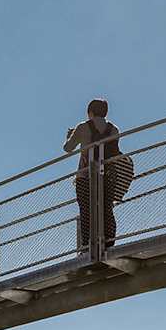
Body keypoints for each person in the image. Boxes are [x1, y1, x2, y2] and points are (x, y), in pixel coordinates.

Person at [65, 98, 126, 259]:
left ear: (90, 112)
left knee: (86, 211)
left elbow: (67, 148)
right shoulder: (114, 129)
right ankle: (109, 242)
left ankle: (86, 247)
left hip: (85, 177)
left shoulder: (82, 127)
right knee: (106, 209)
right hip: (107, 176)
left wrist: (70, 135)